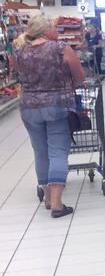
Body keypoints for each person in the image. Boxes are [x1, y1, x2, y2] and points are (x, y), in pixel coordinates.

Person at [12, 13, 85, 218]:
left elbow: (17, 74)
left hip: (29, 107)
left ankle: (46, 197)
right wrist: (68, 86)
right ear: (45, 30)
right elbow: (79, 74)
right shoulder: (60, 48)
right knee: (58, 152)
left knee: (40, 151)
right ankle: (57, 203)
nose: (57, 30)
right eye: (54, 27)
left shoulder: (20, 52)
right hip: (57, 106)